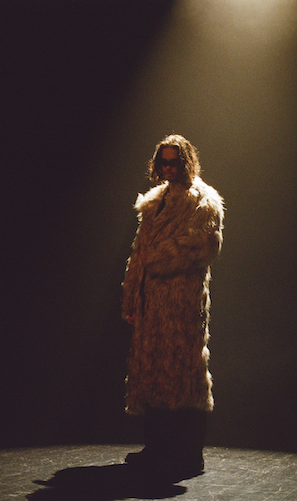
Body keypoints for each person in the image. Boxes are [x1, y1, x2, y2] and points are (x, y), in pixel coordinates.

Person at [121, 134, 224, 481]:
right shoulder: (155, 201)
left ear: (186, 163)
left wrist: (159, 259)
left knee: (184, 374)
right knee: (152, 372)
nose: (168, 169)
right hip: (152, 302)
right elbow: (139, 254)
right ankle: (157, 449)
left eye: (174, 163)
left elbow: (204, 246)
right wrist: (132, 296)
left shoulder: (203, 200)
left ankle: (189, 455)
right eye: (163, 162)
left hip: (181, 302)